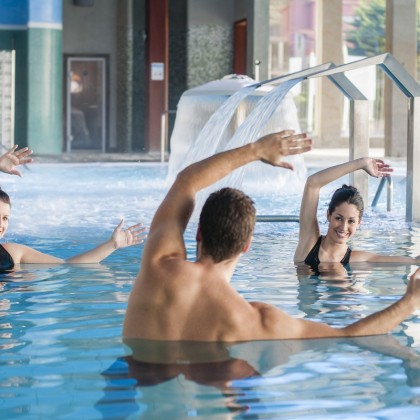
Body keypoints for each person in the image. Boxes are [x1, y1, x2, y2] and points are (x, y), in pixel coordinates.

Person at [123, 130, 420, 341]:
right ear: (248, 246)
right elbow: (347, 334)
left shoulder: (157, 265)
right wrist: (409, 303)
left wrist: (254, 150)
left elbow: (186, 182)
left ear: (198, 232)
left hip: (132, 387)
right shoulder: (255, 320)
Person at [0, 145, 146, 269]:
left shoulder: (13, 253)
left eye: (5, 218)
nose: (2, 224)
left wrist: (112, 245)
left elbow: (68, 265)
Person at [294, 157, 420, 267]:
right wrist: (362, 163)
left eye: (351, 221)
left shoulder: (357, 259)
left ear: (359, 223)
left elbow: (413, 261)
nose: (343, 227)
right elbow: (313, 183)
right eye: (338, 218)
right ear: (328, 215)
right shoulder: (309, 244)